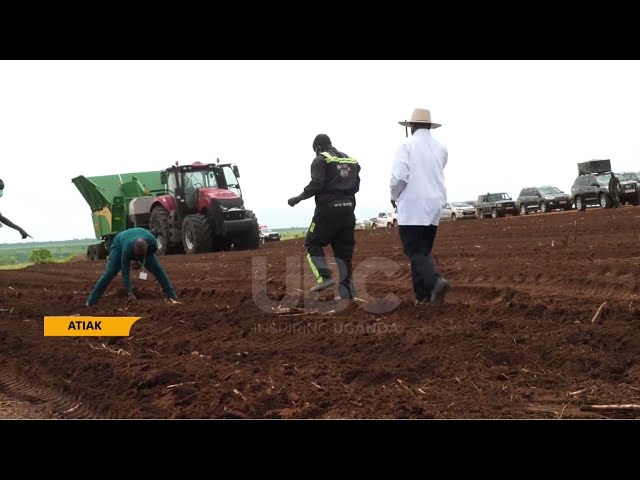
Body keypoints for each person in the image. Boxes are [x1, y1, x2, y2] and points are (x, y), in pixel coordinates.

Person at [288, 134, 361, 299]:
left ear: (318, 148)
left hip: (328, 210)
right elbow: (356, 186)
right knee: (343, 252)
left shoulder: (321, 160)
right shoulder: (351, 160)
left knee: (312, 243)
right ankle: (347, 291)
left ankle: (324, 277)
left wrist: (298, 198)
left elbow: (317, 184)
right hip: (348, 210)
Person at [390, 108, 450, 306]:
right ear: (429, 126)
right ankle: (423, 297)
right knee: (422, 252)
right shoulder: (441, 148)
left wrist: (394, 196)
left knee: (415, 251)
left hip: (413, 206)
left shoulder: (406, 146)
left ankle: (435, 282)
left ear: (412, 126)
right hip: (435, 205)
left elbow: (398, 178)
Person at [86, 227, 179, 306]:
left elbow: (150, 253)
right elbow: (125, 272)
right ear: (133, 248)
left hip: (141, 243)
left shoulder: (153, 243)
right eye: (137, 256)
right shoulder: (126, 250)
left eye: (141, 255)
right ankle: (91, 302)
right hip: (119, 243)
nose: (138, 258)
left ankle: (172, 296)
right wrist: (130, 292)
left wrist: (142, 262)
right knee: (110, 273)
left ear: (147, 246)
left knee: (159, 271)